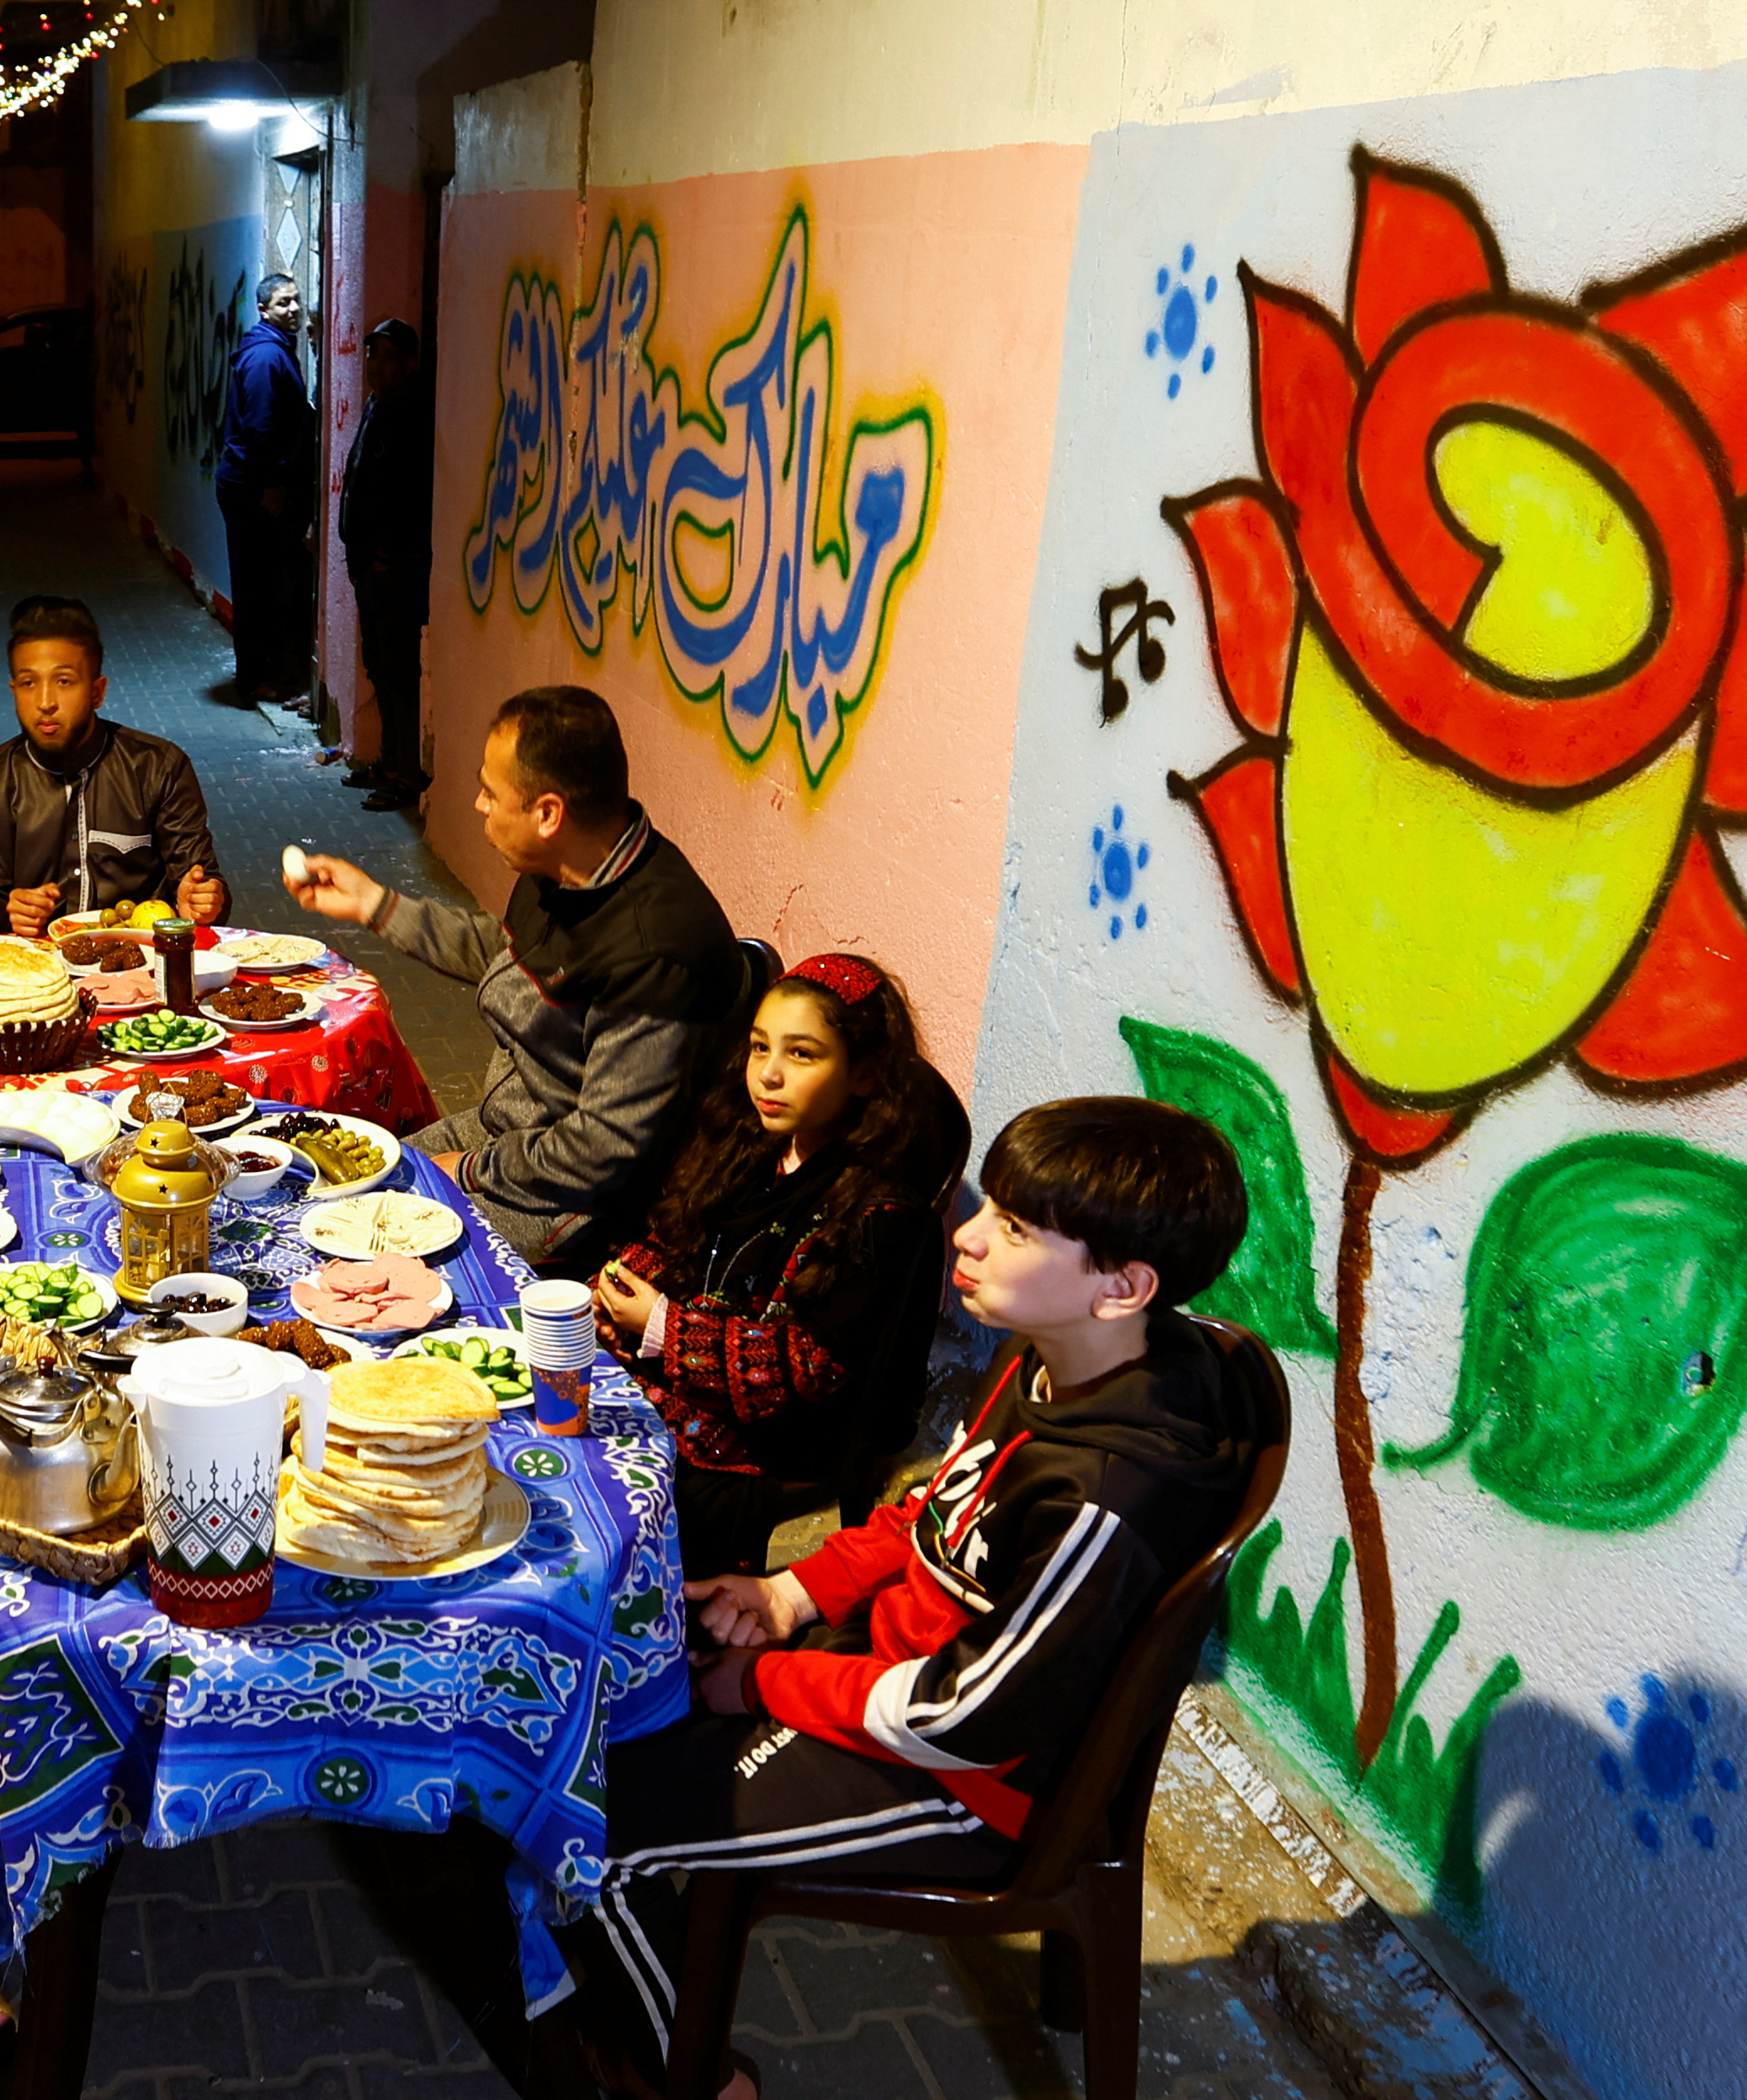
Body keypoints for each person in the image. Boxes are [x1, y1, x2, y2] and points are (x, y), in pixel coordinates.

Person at [571, 1097, 1260, 2099]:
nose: (968, 1236)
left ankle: (697, 2080)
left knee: (592, 1834)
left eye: (1016, 1229)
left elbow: (964, 1718)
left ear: (1123, 1288)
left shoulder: (1100, 1503)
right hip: (873, 1672)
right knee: (595, 1694)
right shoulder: (1057, 1359)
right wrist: (788, 1595)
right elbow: (932, 1511)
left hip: (961, 1779)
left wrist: (760, 1683)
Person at [286, 686, 745, 1266]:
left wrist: (478, 1171)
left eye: (490, 792)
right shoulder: (566, 864)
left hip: (580, 1198)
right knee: (342, 1195)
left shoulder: (653, 950)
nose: (479, 804)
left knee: (378, 1254)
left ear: (548, 813)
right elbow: (503, 954)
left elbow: (604, 1148)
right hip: (507, 1132)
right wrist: (375, 905)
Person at [595, 955, 967, 1577]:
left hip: (782, 1437)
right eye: (759, 1047)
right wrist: (616, 1288)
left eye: (802, 1055)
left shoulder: (882, 1214)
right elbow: (679, 1237)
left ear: (866, 1074)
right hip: (693, 1370)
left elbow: (805, 1370)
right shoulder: (754, 1142)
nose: (767, 1075)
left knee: (617, 1503)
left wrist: (659, 1324)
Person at [0, 594, 227, 937]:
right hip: (32, 972)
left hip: (142, 966)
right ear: (14, 691)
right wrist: (10, 915)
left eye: (64, 681)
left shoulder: (159, 768)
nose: (45, 702)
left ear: (98, 692)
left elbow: (202, 885)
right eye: (28, 683)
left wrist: (203, 904)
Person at [337, 318, 435, 811]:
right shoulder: (380, 405)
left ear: (410, 363)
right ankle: (389, 757)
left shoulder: (412, 413)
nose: (379, 365)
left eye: (391, 357)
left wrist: (384, 554)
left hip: (394, 569)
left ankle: (405, 773)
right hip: (371, 567)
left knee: (399, 669)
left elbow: (408, 495)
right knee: (379, 663)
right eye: (373, 355)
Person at [213, 272, 316, 703]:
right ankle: (255, 678)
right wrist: (272, 484)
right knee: (258, 588)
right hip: (250, 488)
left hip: (246, 483)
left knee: (263, 582)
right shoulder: (265, 359)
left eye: (295, 301)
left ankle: (261, 673)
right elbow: (260, 428)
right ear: (263, 310)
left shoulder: (273, 350)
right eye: (282, 304)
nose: (292, 310)